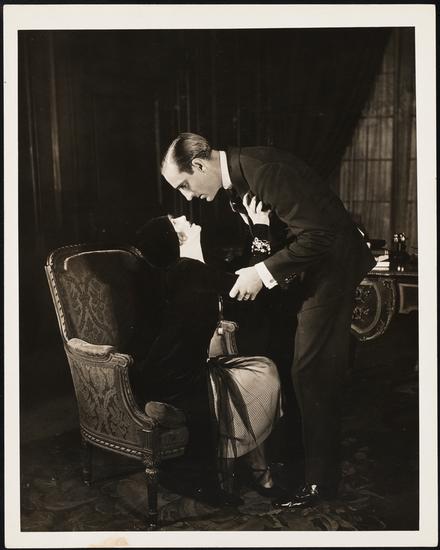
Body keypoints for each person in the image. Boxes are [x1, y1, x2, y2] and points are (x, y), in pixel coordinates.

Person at [161, 132, 377, 508]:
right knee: (289, 360)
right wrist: (259, 246)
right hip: (306, 272)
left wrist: (261, 273)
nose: (188, 196)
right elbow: (284, 236)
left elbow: (320, 236)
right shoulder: (237, 182)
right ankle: (297, 467)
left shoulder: (264, 170)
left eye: (184, 185)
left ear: (198, 165)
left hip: (332, 270)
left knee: (310, 371)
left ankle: (320, 484)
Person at [135, 203, 285, 506]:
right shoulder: (186, 270)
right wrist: (260, 228)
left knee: (257, 375)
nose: (183, 217)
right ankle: (246, 471)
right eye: (175, 221)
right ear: (176, 239)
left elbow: (240, 269)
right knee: (258, 377)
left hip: (180, 368)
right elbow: (245, 288)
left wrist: (255, 228)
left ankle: (249, 468)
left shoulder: (190, 267)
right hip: (174, 378)